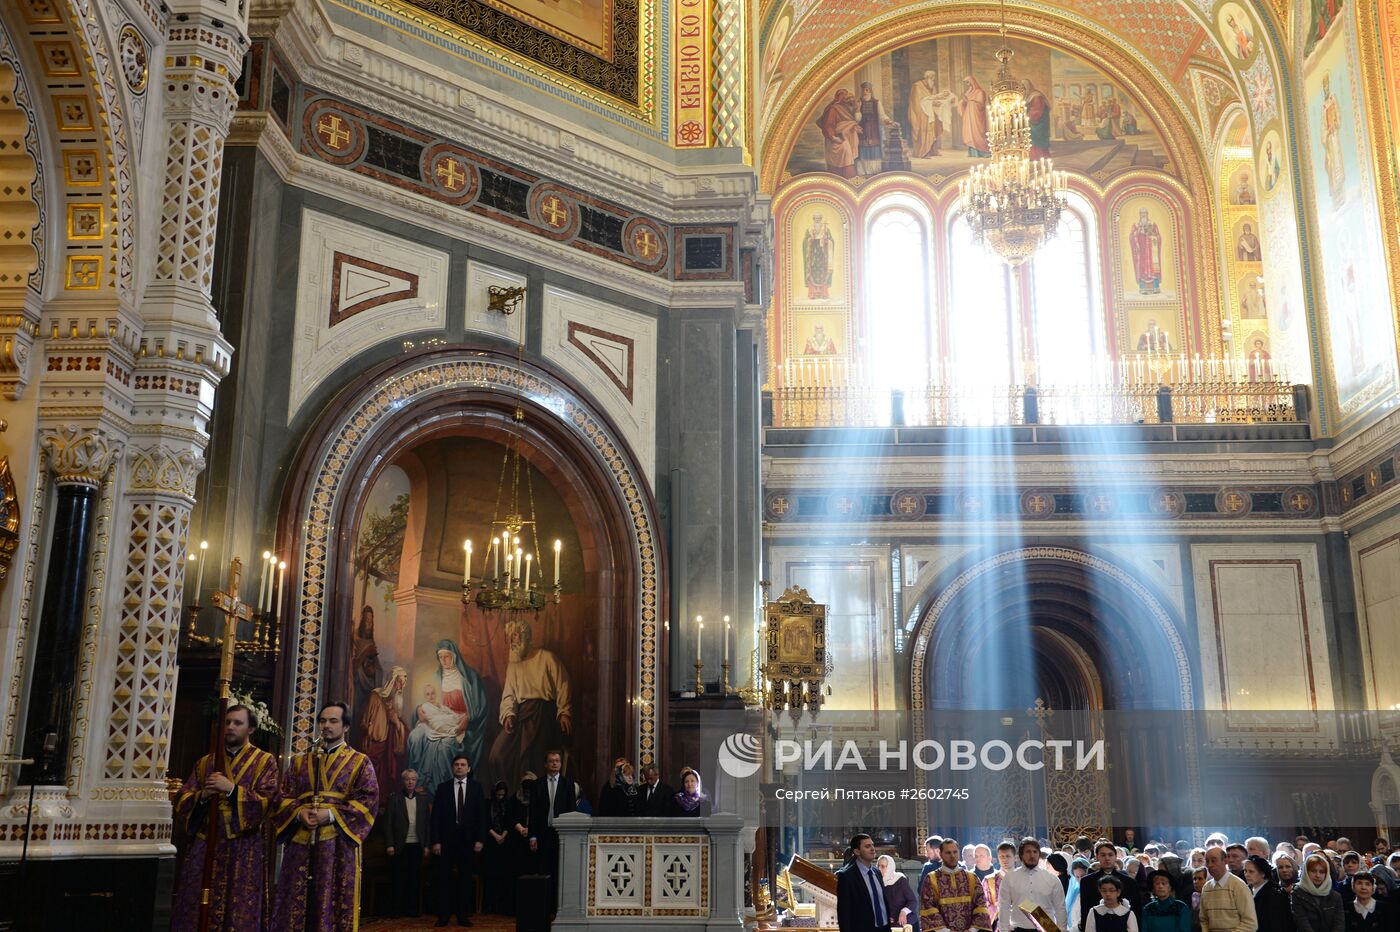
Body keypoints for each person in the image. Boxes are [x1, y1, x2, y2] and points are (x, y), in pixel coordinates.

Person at [271, 701, 380, 932]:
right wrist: (299, 813)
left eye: (333, 721)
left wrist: (329, 815)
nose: (326, 726)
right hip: (300, 844)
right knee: (295, 903)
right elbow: (281, 797)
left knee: (329, 903)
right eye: (322, 721)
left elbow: (368, 800)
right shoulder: (300, 762)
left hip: (337, 846)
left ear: (346, 727)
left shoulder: (360, 762)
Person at [171, 704, 279, 932]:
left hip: (243, 849)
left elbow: (268, 801)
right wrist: (203, 796)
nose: (230, 727)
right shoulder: (206, 763)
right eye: (227, 722)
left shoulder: (264, 761)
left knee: (238, 909)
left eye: (237, 723)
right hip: (205, 845)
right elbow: (182, 799)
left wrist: (231, 790)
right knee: (198, 906)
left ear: (251, 729)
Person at [487, 619, 573, 793]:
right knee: (497, 754)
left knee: (533, 758)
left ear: (525, 637)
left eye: (516, 635)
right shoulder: (513, 664)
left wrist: (564, 712)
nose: (512, 640)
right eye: (510, 636)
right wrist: (509, 714)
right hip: (521, 716)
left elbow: (563, 683)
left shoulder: (546, 657)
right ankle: (511, 797)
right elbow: (509, 694)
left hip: (544, 715)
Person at [431, 753, 486, 927]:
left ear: (469, 769)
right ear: (452, 768)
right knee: (444, 878)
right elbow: (436, 818)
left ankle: (463, 916)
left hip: (468, 841)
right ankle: (443, 916)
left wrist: (480, 840)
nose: (460, 767)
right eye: (457, 765)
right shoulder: (443, 788)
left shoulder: (477, 788)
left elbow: (482, 817)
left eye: (463, 765)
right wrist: (436, 841)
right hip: (446, 840)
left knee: (465, 879)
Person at [529, 749, 583, 913]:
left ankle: (557, 907)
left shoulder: (568, 784)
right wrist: (532, 836)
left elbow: (572, 811)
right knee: (543, 870)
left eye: (557, 761)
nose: (554, 763)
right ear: (545, 764)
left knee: (560, 871)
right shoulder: (537, 784)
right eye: (551, 761)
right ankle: (543, 908)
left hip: (562, 835)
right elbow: (533, 813)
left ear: (560, 763)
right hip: (543, 833)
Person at [383, 768, 431, 919]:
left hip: (417, 845)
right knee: (398, 879)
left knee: (414, 879)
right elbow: (387, 823)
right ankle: (397, 910)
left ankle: (412, 910)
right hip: (399, 845)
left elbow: (427, 825)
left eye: (413, 779)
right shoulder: (394, 798)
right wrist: (389, 844)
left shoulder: (423, 799)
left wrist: (427, 845)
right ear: (403, 781)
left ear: (416, 782)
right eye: (407, 779)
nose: (410, 782)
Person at [921, 837, 993, 932]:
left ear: (959, 854)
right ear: (941, 854)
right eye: (948, 853)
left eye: (955, 852)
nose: (952, 856)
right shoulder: (931, 879)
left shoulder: (971, 878)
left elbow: (981, 905)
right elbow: (929, 908)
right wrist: (945, 931)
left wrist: (972, 929)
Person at [361, 665, 408, 803]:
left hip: (387, 747)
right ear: (392, 681)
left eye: (402, 684)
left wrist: (397, 724)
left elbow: (399, 725)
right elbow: (366, 720)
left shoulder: (395, 703)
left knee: (385, 778)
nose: (400, 687)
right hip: (375, 743)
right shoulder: (375, 696)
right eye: (398, 682)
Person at [1001, 836, 1069, 932]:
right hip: (1019, 929)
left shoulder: (1052, 879)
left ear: (1039, 854)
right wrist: (1004, 929)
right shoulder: (1010, 878)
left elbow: (1060, 908)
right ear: (1021, 855)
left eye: (1035, 852)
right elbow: (1004, 906)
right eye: (1028, 852)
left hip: (1047, 928)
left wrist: (1062, 930)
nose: (1032, 855)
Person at [837, 833, 891, 931]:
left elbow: (882, 902)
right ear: (857, 851)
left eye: (872, 845)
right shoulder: (847, 876)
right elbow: (844, 913)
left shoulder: (877, 872)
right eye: (867, 846)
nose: (872, 849)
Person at [1084, 840, 1142, 928]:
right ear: (1097, 857)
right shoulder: (1087, 881)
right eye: (1103, 855)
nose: (1107, 858)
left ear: (1115, 857)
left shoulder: (1129, 882)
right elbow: (1084, 910)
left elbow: (1136, 910)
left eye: (1110, 855)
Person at [1200, 846, 1258, 932]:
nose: (1210, 865)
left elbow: (1250, 923)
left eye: (1214, 860)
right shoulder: (1206, 887)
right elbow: (1204, 919)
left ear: (1225, 861)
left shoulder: (1238, 885)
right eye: (1207, 861)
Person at [483, 780, 515, 915]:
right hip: (490, 843)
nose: (500, 797)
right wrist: (496, 835)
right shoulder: (487, 804)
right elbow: (484, 822)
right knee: (491, 874)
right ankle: (489, 904)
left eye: (502, 795)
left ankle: (502, 905)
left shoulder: (508, 804)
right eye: (498, 795)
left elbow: (510, 822)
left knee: (504, 874)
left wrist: (503, 835)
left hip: (505, 843)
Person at [1293, 853, 1343, 932]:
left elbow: (1339, 924)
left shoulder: (1335, 896)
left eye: (1322, 872)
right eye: (1313, 871)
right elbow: (1302, 922)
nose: (1318, 875)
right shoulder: (1297, 893)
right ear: (1306, 872)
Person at [818, 88, 862, 178]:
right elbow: (828, 125)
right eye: (846, 97)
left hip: (845, 137)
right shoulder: (833, 109)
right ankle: (845, 178)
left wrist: (855, 127)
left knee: (847, 156)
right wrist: (833, 137)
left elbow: (850, 122)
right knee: (845, 155)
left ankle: (849, 179)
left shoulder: (847, 108)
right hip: (835, 138)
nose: (849, 99)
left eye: (850, 97)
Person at [1245, 855, 1292, 932]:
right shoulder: (1247, 889)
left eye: (1251, 871)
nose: (1246, 874)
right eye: (1245, 871)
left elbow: (1277, 925)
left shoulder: (1274, 893)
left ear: (1263, 873)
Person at [881, 853, 921, 931]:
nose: (879, 869)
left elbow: (912, 901)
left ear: (889, 867)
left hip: (905, 921)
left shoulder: (900, 879)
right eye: (878, 866)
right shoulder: (877, 881)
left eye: (882, 866)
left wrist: (904, 912)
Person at [959, 75, 991, 157]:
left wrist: (970, 101)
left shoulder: (980, 92)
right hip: (969, 116)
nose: (967, 84)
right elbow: (965, 103)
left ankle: (982, 152)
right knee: (969, 132)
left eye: (968, 82)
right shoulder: (968, 92)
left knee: (977, 133)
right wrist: (963, 102)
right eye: (966, 83)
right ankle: (973, 153)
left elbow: (980, 104)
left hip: (976, 116)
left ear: (972, 82)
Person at [988, 840, 1017, 928]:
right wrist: (997, 907)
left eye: (1008, 856)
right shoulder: (989, 881)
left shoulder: (1025, 878)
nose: (1004, 859)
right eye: (1001, 856)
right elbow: (983, 907)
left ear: (1015, 857)